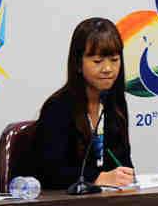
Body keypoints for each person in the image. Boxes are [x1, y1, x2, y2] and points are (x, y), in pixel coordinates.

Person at [33, 17, 134, 189]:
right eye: (97, 61)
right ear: (78, 64)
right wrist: (97, 178)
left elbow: (124, 162)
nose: (108, 69)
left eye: (114, 60)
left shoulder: (115, 104)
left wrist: (125, 176)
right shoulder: (57, 107)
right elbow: (51, 173)